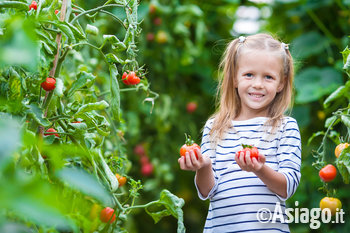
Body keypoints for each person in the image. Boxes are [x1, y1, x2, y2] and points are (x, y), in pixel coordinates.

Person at [178, 33, 301, 233]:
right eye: (249, 75)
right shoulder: (215, 127)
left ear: (281, 83)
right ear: (235, 77)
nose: (258, 84)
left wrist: (260, 169)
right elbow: (206, 190)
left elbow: (287, 188)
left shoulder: (286, 127)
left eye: (268, 77)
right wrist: (203, 166)